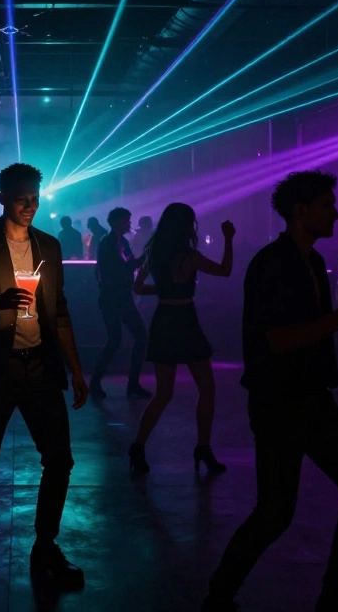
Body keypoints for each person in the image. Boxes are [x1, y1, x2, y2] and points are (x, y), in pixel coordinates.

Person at [202, 171, 338, 612]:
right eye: (327, 204)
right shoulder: (274, 264)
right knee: (277, 512)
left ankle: (330, 594)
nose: (336, 212)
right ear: (300, 211)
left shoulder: (310, 263)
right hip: (282, 402)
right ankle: (224, 595)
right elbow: (280, 339)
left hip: (307, 398)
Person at [0, 163, 89, 600]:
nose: (30, 205)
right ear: (3, 197)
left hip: (40, 367)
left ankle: (45, 547)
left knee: (59, 459)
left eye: (35, 198)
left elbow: (58, 311)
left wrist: (75, 368)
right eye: (22, 198)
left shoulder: (49, 246)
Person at [128, 204, 234, 477]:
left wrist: (163, 288)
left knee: (164, 393)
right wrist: (229, 238)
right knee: (207, 388)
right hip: (185, 318)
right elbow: (225, 270)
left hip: (164, 318)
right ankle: (203, 447)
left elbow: (138, 287)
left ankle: (138, 447)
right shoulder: (190, 255)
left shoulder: (155, 252)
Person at [90, 207, 149, 400]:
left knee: (119, 340)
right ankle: (128, 384)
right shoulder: (108, 242)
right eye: (126, 221)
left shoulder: (118, 241)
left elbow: (126, 265)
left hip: (117, 297)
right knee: (125, 339)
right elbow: (124, 267)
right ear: (116, 222)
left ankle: (100, 383)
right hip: (114, 297)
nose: (129, 224)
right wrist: (147, 256)